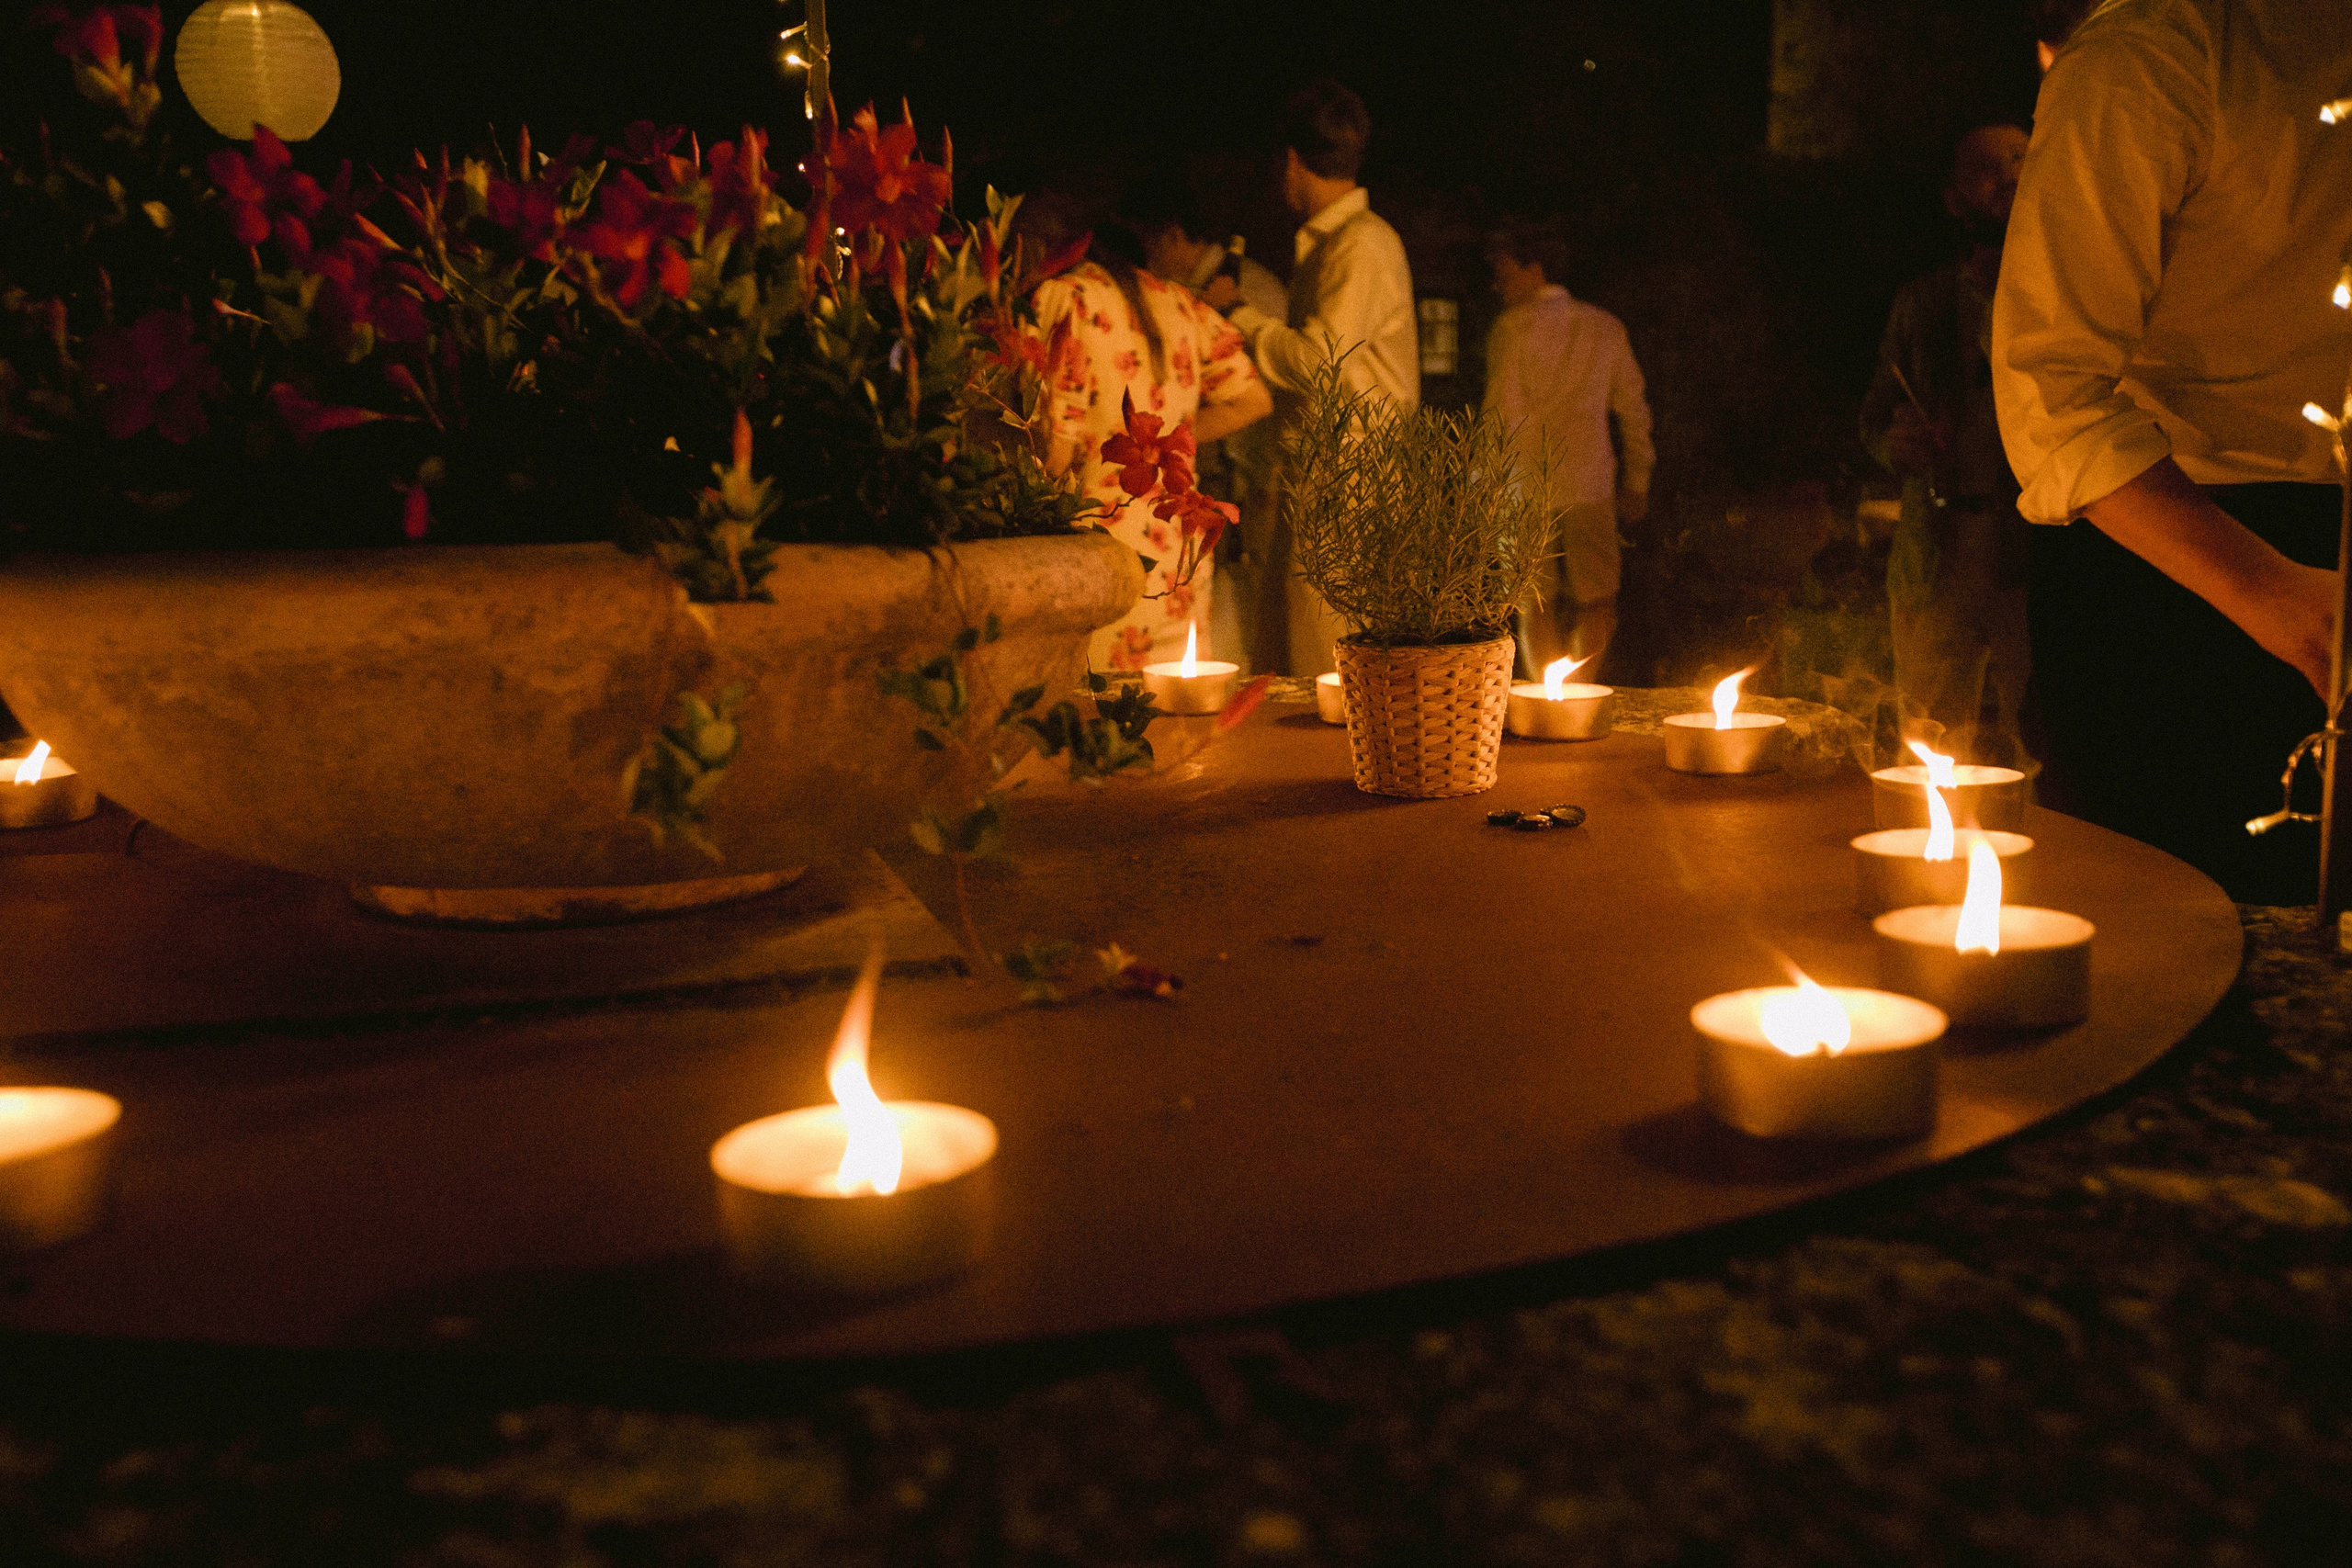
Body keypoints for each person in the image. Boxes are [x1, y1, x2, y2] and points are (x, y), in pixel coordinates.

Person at [1992, 0, 2352, 903]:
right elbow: (2051, 387)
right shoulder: (2155, 51)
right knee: (2167, 949)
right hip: (2172, 569)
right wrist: (2271, 590)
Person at [1203, 78, 1419, 676]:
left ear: (1291, 160)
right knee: (1294, 663)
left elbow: (1324, 365)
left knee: (1327, 673)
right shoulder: (1335, 245)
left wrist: (1237, 316)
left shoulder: (1361, 245)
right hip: (1322, 486)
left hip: (1351, 495)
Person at [1023, 209, 1273, 672]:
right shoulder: (1182, 304)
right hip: (1178, 552)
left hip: (1097, 551)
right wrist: (1169, 439)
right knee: (1173, 713)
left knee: (1097, 718)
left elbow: (1055, 452)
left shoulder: (1065, 300)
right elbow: (1254, 399)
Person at [1860, 125, 2034, 767]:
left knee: (2047, 742)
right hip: (1938, 550)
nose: (2010, 173)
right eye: (1987, 168)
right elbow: (1875, 416)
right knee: (1931, 740)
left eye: (2020, 157)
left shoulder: (2071, 294)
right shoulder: (1924, 302)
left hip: (2037, 553)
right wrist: (1893, 439)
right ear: (1954, 200)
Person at [1121, 172, 1288, 671]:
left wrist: (1174, 432)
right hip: (1203, 471)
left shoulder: (1245, 289)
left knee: (1244, 608)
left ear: (1170, 233)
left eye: (1150, 242)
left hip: (1249, 471)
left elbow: (1262, 396)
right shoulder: (1187, 293)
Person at [1482, 219, 1653, 674]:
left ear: (1533, 269)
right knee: (1598, 601)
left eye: (1504, 271)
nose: (1498, 284)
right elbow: (1633, 409)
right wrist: (1638, 477)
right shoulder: (1605, 328)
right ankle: (1580, 689)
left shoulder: (1512, 329)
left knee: (1532, 603)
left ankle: (1547, 696)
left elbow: (1500, 415)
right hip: (1588, 481)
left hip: (1525, 490)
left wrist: (1483, 485)